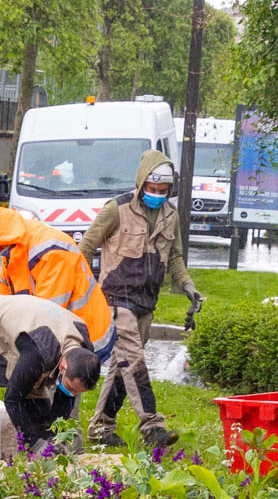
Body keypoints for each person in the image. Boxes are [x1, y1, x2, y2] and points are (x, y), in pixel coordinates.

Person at [77, 150, 200, 455]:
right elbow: (85, 248)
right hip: (116, 298)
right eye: (152, 189)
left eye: (162, 191)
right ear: (142, 181)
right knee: (134, 362)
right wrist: (82, 289)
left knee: (122, 368)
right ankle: (152, 427)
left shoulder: (171, 215)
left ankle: (101, 427)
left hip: (147, 300)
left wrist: (188, 286)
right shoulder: (116, 209)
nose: (157, 195)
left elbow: (174, 257)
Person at [0, 292, 103, 478]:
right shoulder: (38, 354)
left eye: (76, 391)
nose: (71, 393)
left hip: (22, 336)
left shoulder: (83, 353)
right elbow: (12, 399)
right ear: (63, 366)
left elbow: (64, 397)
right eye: (70, 386)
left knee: (41, 417)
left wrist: (55, 439)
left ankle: (38, 478)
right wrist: (37, 444)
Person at [0, 198, 114, 356]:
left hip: (85, 333)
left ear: (8, 237)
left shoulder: (51, 250)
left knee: (68, 378)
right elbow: (3, 296)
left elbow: (49, 311)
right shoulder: (14, 248)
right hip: (61, 331)